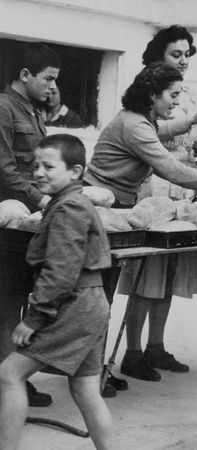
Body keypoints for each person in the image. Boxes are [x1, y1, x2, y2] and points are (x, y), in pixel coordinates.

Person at [84, 62, 197, 383]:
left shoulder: (140, 120)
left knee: (103, 296)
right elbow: (171, 169)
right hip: (101, 211)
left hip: (118, 208)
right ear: (152, 95)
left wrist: (191, 122)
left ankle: (97, 369)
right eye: (173, 95)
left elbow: (161, 132)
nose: (177, 102)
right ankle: (91, 373)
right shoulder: (135, 126)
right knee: (97, 298)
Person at [0, 134, 114, 449]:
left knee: (9, 374)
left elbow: (61, 272)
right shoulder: (68, 203)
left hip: (73, 305)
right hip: (88, 304)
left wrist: (34, 319)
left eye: (48, 166)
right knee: (85, 389)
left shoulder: (68, 209)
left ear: (76, 171)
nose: (38, 172)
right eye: (35, 165)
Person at [0, 42, 61, 407]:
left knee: (20, 299)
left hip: (28, 222)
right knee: (7, 303)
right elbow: (5, 169)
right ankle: (9, 381)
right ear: (25, 76)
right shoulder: (4, 108)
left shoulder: (34, 112)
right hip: (9, 221)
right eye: (48, 78)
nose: (52, 86)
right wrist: (43, 201)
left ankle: (13, 377)